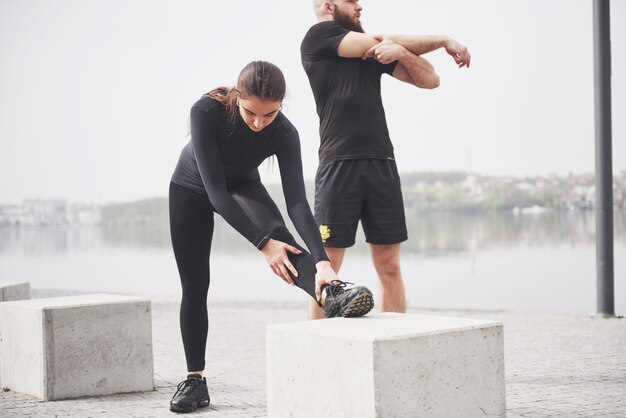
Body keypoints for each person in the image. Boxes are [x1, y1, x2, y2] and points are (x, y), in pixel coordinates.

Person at [167, 60, 374, 413]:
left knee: (282, 236)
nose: (260, 123)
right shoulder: (206, 112)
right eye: (251, 114)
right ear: (237, 97)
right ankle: (195, 380)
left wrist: (322, 260)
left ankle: (331, 291)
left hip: (244, 185)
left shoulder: (286, 133)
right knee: (196, 284)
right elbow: (216, 192)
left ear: (281, 106)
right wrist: (263, 245)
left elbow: (296, 201)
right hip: (191, 190)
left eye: (270, 115)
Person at [302, 0, 471, 319]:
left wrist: (401, 53)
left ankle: (396, 348)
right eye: (350, 1)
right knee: (328, 267)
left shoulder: (370, 54)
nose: (359, 6)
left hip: (381, 164)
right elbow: (380, 41)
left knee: (389, 265)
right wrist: (445, 40)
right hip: (338, 165)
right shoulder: (319, 37)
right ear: (328, 5)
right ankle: (315, 350)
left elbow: (430, 80)